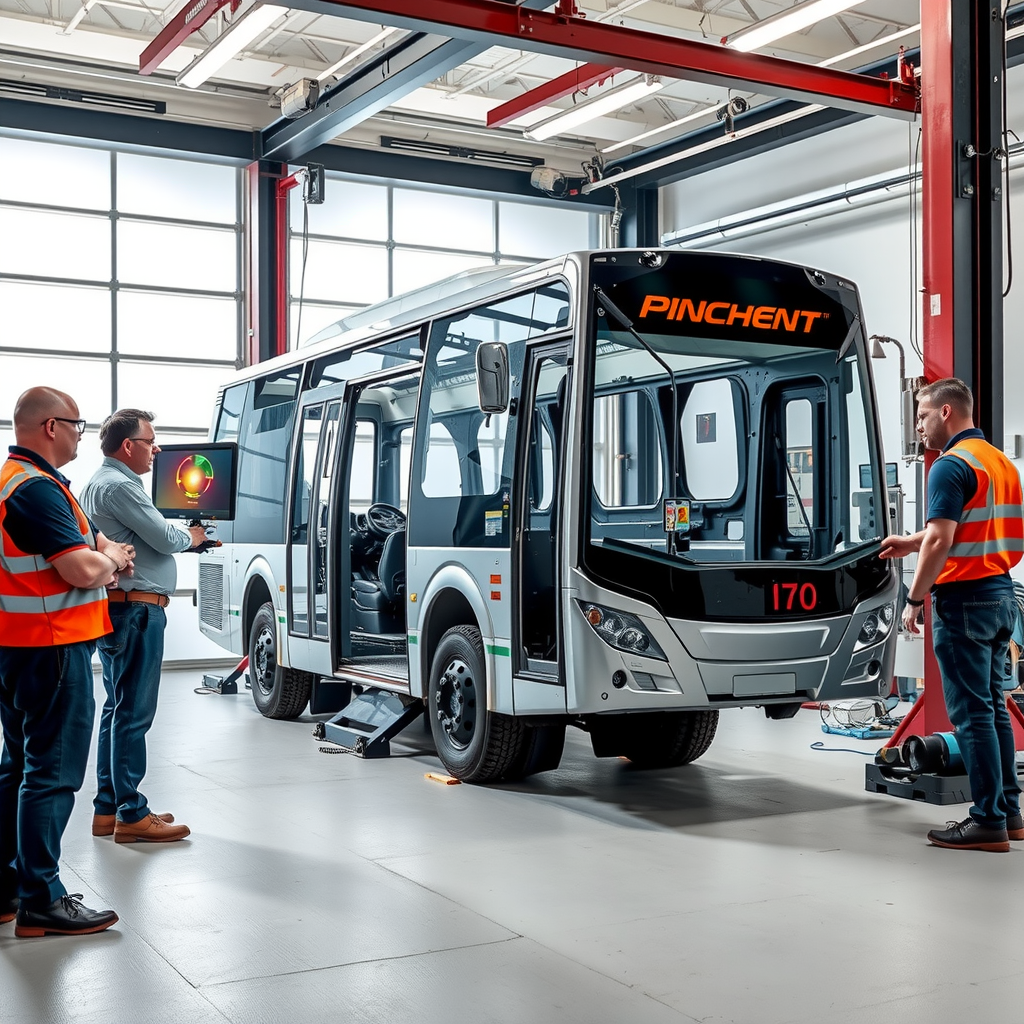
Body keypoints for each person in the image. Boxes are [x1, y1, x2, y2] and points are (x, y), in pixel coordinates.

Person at [0, 387, 135, 937]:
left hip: (19, 646)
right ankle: (42, 899)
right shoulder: (35, 489)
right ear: (50, 427)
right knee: (50, 774)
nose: (82, 434)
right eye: (77, 425)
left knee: (18, 767)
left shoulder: (25, 481)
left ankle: (8, 887)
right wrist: (108, 558)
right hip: (51, 646)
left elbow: (82, 544)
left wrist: (99, 548)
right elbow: (81, 568)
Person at [880, 377, 1024, 852]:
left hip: (964, 599)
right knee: (993, 710)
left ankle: (986, 822)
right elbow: (958, 528)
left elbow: (943, 540)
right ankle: (1009, 813)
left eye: (921, 416)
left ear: (945, 413)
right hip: (1001, 595)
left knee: (972, 715)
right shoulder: (998, 462)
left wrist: (915, 598)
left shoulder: (949, 465)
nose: (918, 426)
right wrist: (910, 540)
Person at [80, 410, 204, 845]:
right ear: (127, 445)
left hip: (121, 608)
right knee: (133, 713)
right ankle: (132, 813)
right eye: (150, 441)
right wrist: (193, 536)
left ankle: (108, 808)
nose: (157, 449)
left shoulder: (98, 483)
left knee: (117, 708)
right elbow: (165, 538)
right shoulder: (119, 485)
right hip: (137, 611)